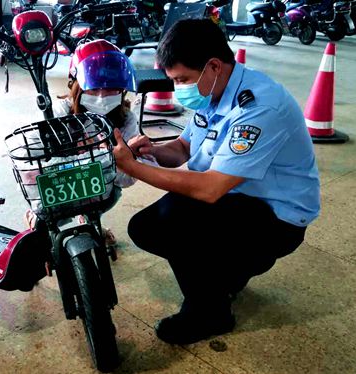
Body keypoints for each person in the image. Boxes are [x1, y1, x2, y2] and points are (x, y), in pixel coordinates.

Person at [111, 19, 320, 345]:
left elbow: (209, 189)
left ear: (213, 65)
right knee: (161, 221)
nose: (179, 88)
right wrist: (149, 151)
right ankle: (229, 275)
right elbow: (183, 148)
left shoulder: (259, 106)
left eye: (182, 79)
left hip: (278, 218)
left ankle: (210, 312)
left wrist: (132, 169)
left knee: (166, 222)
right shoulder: (214, 90)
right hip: (240, 201)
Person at [26, 39, 157, 247]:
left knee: (110, 193)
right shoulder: (60, 114)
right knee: (47, 217)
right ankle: (42, 226)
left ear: (122, 89)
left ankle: (90, 220)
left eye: (112, 89)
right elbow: (36, 167)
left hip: (99, 187)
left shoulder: (125, 119)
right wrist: (102, 158)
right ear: (76, 85)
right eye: (94, 89)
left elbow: (125, 179)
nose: (103, 97)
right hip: (60, 186)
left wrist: (123, 159)